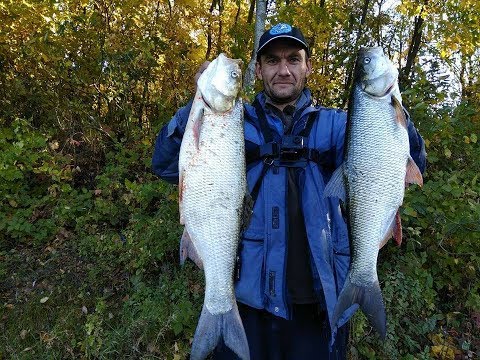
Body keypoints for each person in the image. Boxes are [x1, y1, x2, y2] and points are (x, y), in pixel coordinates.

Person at [152, 23, 426, 360]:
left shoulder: (340, 124)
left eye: (293, 59)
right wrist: (194, 107)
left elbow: (408, 164)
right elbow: (165, 166)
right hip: (247, 300)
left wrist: (395, 112)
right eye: (272, 60)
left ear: (308, 66)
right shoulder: (231, 121)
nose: (283, 70)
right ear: (258, 69)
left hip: (320, 303)